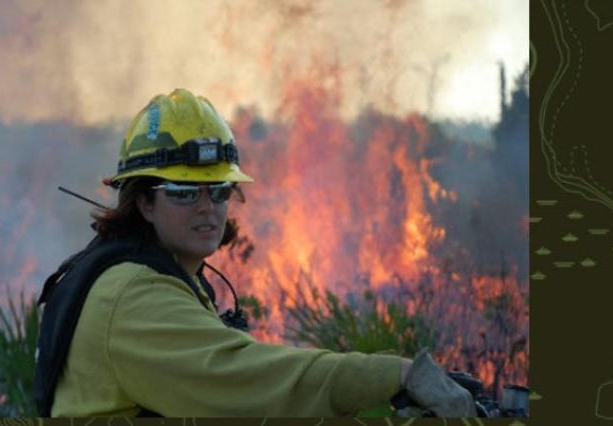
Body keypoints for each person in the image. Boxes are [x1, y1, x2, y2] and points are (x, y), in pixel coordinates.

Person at [33, 88, 474, 417]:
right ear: (144, 203)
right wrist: (394, 374)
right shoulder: (133, 296)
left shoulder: (159, 275)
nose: (208, 207)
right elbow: (248, 377)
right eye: (185, 192)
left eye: (220, 190)